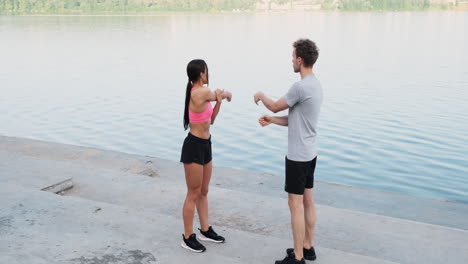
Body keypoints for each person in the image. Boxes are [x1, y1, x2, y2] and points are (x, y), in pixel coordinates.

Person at [254, 39, 323, 264]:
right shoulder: (315, 84)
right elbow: (296, 120)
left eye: (293, 56)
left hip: (297, 157)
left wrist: (261, 96)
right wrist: (272, 121)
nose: (291, 60)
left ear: (300, 59)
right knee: (308, 202)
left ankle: (298, 258)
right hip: (310, 153)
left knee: (295, 205)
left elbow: (274, 104)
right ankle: (308, 246)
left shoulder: (299, 87)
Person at [180, 59, 232, 253]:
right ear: (202, 73)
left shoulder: (204, 95)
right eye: (207, 71)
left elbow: (210, 120)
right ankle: (187, 237)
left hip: (205, 145)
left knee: (203, 191)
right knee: (193, 193)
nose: (208, 74)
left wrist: (219, 102)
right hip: (193, 147)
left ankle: (205, 229)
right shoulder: (200, 92)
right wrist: (224, 94)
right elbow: (220, 93)